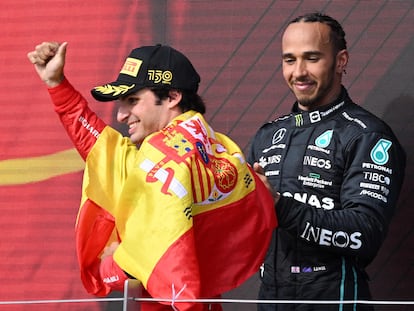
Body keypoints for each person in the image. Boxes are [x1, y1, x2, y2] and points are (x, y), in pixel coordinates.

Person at [27, 42, 276, 311]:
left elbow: (143, 261)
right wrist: (57, 84)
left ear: (171, 97)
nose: (121, 115)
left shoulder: (166, 156)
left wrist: (110, 264)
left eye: (132, 101)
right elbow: (104, 149)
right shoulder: (219, 150)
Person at [248, 12, 406, 311]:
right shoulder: (267, 136)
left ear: (341, 60)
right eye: (289, 60)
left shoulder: (367, 135)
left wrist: (280, 206)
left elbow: (364, 233)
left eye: (312, 58)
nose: (299, 72)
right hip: (271, 301)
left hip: (335, 301)